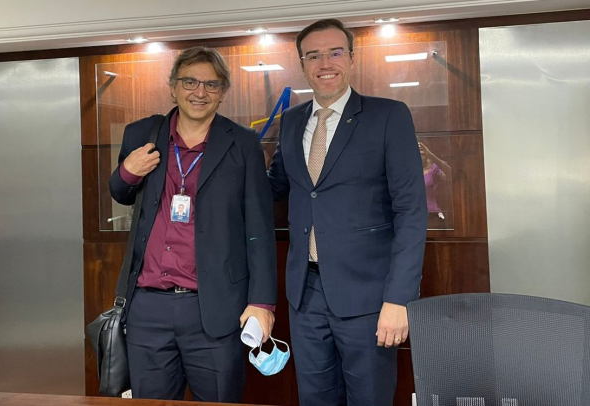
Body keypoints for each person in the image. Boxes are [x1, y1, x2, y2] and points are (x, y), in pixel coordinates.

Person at [267, 19, 427, 406]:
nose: (325, 63)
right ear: (302, 64)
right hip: (305, 295)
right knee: (314, 399)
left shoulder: (388, 116)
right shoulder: (291, 122)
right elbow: (273, 188)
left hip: (369, 297)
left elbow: (410, 211)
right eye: (313, 55)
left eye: (335, 52)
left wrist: (399, 299)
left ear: (352, 58)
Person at [109, 46, 277, 402]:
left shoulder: (243, 143)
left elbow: (259, 229)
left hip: (215, 307)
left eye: (211, 85)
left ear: (223, 92)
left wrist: (262, 303)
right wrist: (128, 171)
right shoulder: (142, 134)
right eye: (190, 82)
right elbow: (120, 193)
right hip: (147, 308)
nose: (200, 92)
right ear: (173, 86)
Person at [418, 141, 451, 213]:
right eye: (417, 153)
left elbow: (450, 173)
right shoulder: (411, 171)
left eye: (423, 154)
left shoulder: (434, 169)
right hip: (414, 211)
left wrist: (430, 154)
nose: (420, 157)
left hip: (431, 212)